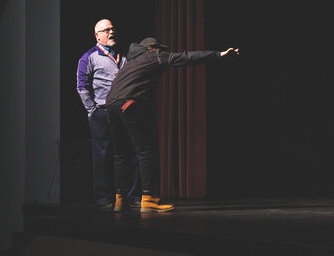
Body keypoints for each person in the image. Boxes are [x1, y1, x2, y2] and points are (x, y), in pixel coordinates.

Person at [106, 37, 239, 212]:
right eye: (158, 48)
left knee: (120, 154)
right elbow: (186, 57)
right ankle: (148, 199)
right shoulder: (154, 56)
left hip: (111, 105)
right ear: (152, 48)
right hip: (129, 103)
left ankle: (120, 200)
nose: (161, 51)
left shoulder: (131, 62)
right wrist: (218, 55)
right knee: (145, 151)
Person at [76, 19, 141, 210]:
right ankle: (104, 198)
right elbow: (82, 86)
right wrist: (92, 110)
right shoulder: (88, 57)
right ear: (97, 35)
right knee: (102, 156)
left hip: (124, 112)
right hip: (102, 113)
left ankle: (132, 196)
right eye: (107, 30)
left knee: (131, 153)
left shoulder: (122, 56)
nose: (112, 32)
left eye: (113, 29)